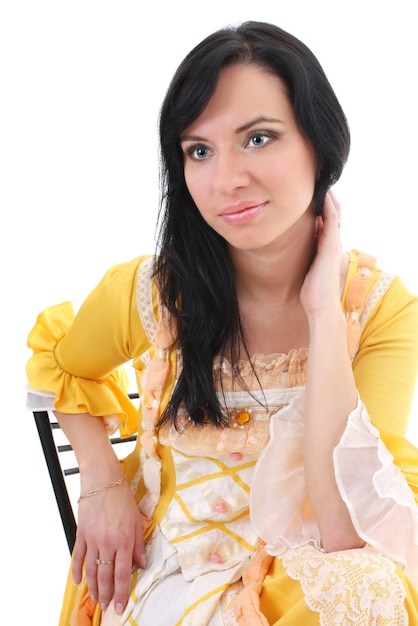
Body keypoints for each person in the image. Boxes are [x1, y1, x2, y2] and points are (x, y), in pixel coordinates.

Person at [26, 20, 418, 626]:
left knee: (362, 588)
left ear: (321, 141)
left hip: (304, 571)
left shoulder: (378, 308)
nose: (226, 180)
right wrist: (101, 481)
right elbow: (59, 367)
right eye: (198, 150)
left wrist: (321, 313)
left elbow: (345, 526)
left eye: (258, 138)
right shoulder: (153, 295)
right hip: (176, 569)